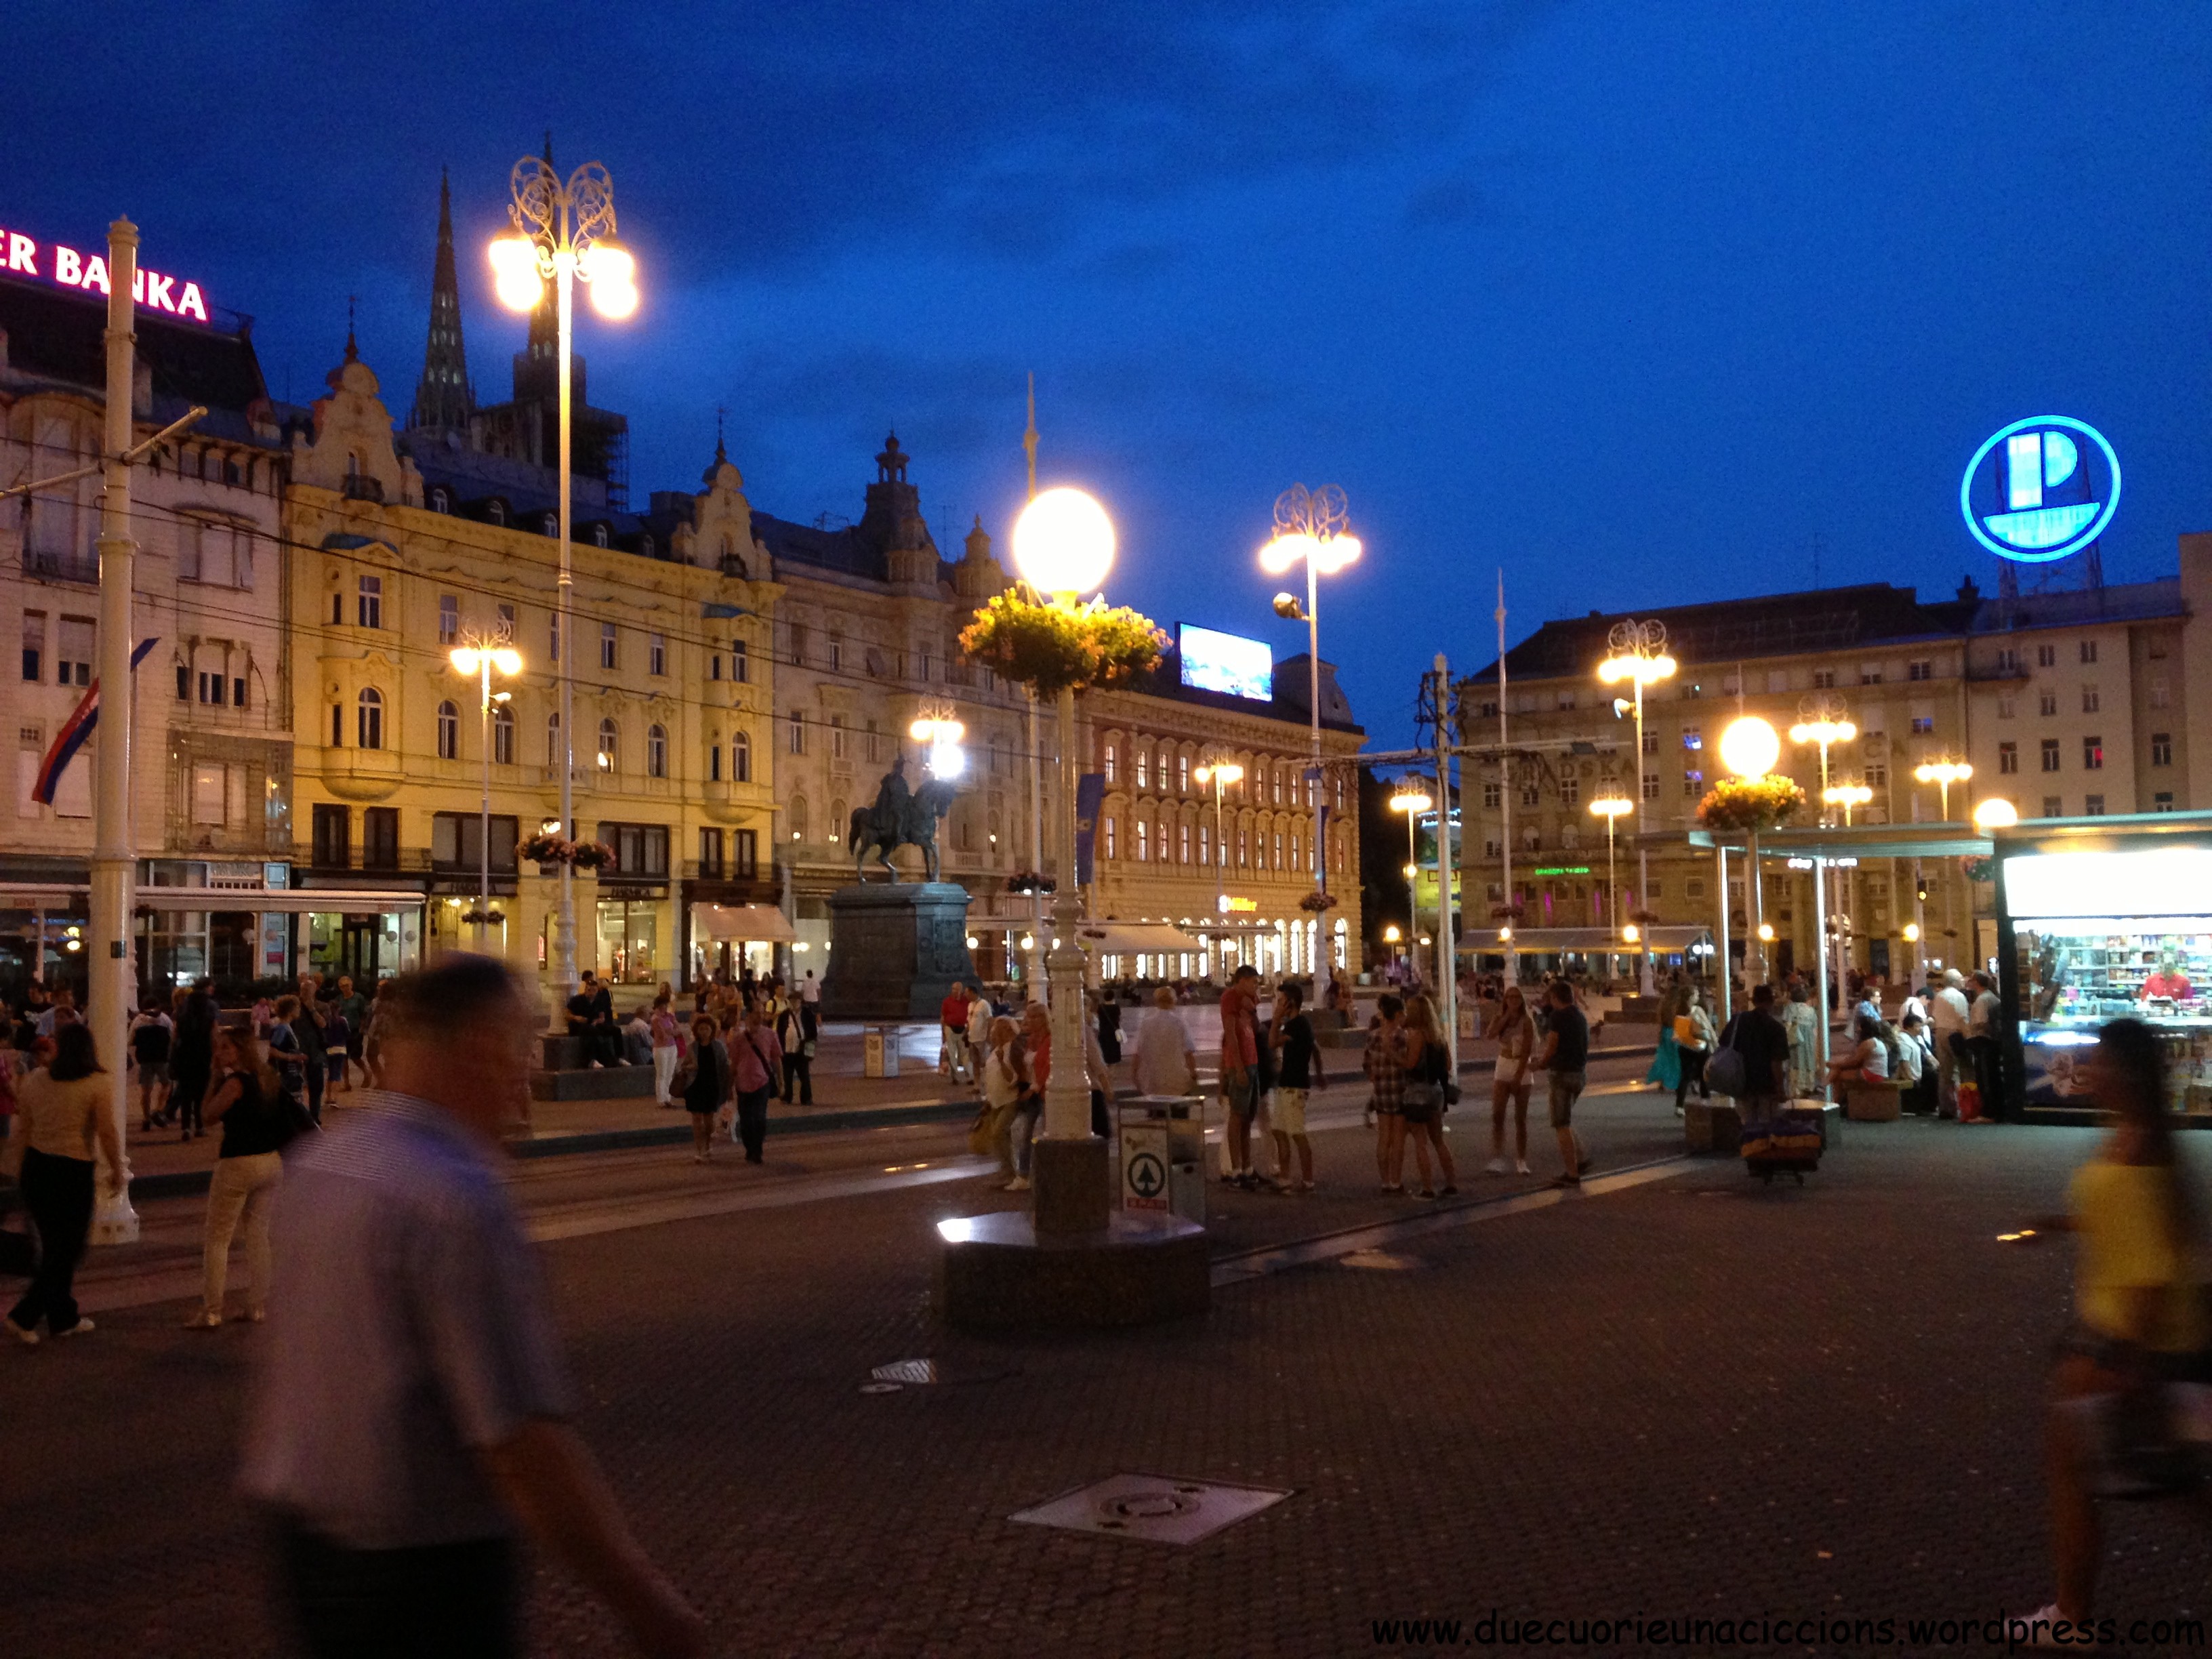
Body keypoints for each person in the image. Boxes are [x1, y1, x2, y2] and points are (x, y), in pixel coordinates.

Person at [237, 956, 705, 1658]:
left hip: (305, 1553)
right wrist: (645, 1603)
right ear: (484, 1048)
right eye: (521, 1047)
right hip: (425, 1575)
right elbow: (518, 1439)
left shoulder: (320, 1165)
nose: (524, 1076)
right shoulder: (453, 1197)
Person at [2020, 1018, 2211, 1634]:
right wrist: (2060, 1225)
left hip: (2129, 1339)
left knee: (2106, 1471)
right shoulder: (2133, 1135)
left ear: (2127, 1073)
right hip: (2127, 1335)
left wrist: (2126, 1358)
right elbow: (2132, 1224)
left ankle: (2070, 1617)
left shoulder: (2143, 1149)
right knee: (2163, 1476)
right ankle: (2069, 1613)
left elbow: (2154, 1268)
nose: (2088, 1068)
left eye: (2100, 1060)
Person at [4, 1022, 123, 1343]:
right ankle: (24, 1315)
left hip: (37, 1167)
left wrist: (18, 1169)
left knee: (56, 1247)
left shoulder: (35, 1079)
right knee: (67, 1250)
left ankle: (63, 1317)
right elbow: (107, 1131)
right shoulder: (99, 1083)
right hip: (73, 1169)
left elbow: (23, 1128)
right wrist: (117, 1169)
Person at [184, 1023, 293, 1329]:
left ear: (241, 1050)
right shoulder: (267, 1078)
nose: (219, 1054)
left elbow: (207, 1116)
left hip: (238, 1163)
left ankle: (212, 1310)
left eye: (226, 1048)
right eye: (218, 1047)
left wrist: (214, 1078)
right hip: (271, 1162)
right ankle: (257, 1305)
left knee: (218, 1238)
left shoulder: (236, 1083)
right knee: (258, 1235)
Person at [1397, 991, 1455, 1200]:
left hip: (1418, 1092)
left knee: (1420, 1142)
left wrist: (1395, 1056)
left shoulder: (1417, 1035)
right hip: (1436, 1091)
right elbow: (1448, 1065)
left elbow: (1411, 1064)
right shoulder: (1438, 1035)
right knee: (1438, 1140)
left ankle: (1428, 1188)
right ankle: (1451, 1184)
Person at [1534, 980, 1593, 1189]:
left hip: (1562, 1074)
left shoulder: (1558, 1016)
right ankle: (1582, 1157)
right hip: (1579, 1073)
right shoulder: (1579, 1015)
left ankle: (1572, 1173)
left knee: (1561, 1124)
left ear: (1555, 997)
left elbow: (1552, 1046)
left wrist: (1540, 1064)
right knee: (1565, 1119)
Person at [1267, 981, 1323, 1193]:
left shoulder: (1296, 1025)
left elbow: (1272, 1043)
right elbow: (1316, 1050)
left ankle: (1308, 1181)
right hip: (1287, 1084)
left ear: (1291, 1003)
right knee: (1279, 1131)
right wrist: (1319, 1074)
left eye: (1281, 1001)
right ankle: (1284, 1179)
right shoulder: (1302, 1024)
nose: (1278, 1004)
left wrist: (1275, 1019)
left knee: (1297, 1134)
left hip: (1294, 1087)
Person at [1717, 983, 1793, 1121]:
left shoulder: (1737, 1021)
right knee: (1766, 1125)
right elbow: (1776, 1062)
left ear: (1753, 1001)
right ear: (1772, 1001)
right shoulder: (1776, 1028)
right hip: (1766, 1084)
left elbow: (1723, 1044)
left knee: (1747, 1124)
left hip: (1742, 1081)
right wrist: (1781, 1089)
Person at [1218, 966, 1263, 1190]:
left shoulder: (1249, 1000)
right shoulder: (1230, 997)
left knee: (1247, 1118)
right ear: (1243, 980)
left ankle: (1247, 1167)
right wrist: (1239, 1067)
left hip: (1252, 1062)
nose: (1256, 986)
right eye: (1254, 982)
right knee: (1237, 1117)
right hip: (1241, 1065)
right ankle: (1235, 1170)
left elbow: (1256, 1029)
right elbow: (1230, 1035)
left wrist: (1253, 1007)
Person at [1486, 984, 1536, 1175]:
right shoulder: (1500, 1018)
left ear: (1521, 1000)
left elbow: (1527, 1051)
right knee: (1498, 1114)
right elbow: (1490, 1034)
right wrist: (1506, 1016)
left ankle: (1521, 1160)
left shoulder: (1527, 1022)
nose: (1513, 1001)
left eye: (1517, 997)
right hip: (1503, 1064)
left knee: (1520, 1118)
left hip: (1520, 1067)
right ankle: (1498, 1157)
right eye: (1510, 997)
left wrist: (1518, 1076)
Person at [978, 1016, 1029, 1188]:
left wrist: (1001, 1061)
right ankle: (1008, 1170)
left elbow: (1013, 1078)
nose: (993, 1033)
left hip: (1010, 1100)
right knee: (1000, 1137)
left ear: (1008, 1031)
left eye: (997, 1030)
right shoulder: (996, 1050)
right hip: (996, 1101)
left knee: (998, 1133)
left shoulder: (1013, 1049)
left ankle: (1011, 1171)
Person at [726, 1003, 781, 1165]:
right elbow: (734, 1064)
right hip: (743, 1084)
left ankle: (757, 1150)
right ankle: (750, 1148)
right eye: (755, 1013)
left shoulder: (770, 1035)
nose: (758, 1016)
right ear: (748, 1016)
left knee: (759, 1118)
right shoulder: (738, 1039)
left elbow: (776, 1059)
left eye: (761, 1013)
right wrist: (729, 1086)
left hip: (762, 1082)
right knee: (745, 1120)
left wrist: (781, 1081)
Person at [1364, 994, 1408, 1193]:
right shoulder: (1401, 1036)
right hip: (1399, 1090)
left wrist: (1376, 1077)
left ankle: (1385, 1181)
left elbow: (1367, 1065)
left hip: (1381, 1092)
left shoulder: (1373, 1036)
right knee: (1398, 1138)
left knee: (1384, 1137)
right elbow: (1407, 1062)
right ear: (1398, 1014)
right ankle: (1396, 1182)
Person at [171, 980, 217, 1141]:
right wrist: (216, 1054)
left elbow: (175, 1036)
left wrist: (173, 1055)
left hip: (184, 1054)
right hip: (203, 1054)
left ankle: (185, 1128)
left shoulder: (183, 1011)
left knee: (186, 1093)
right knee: (201, 1093)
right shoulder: (209, 1011)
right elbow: (214, 1035)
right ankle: (199, 1126)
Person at [679, 1014, 728, 1164]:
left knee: (709, 1121)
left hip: (712, 1085)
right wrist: (690, 1067)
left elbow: (725, 1066)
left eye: (707, 1028)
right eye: (701, 1029)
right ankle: (699, 1149)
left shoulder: (718, 1046)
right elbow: (683, 1066)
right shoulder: (692, 1047)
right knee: (696, 1119)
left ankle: (707, 1144)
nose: (704, 1032)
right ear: (696, 1030)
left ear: (712, 1030)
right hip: (695, 1085)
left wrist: (727, 1087)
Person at [1132, 985, 1196, 1099]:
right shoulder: (1180, 1023)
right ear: (1174, 1000)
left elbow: (1139, 1052)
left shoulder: (1147, 1023)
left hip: (1153, 1081)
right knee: (1179, 1113)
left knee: (1157, 1114)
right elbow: (1188, 1052)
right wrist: (1193, 1074)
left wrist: (1135, 1075)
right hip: (1177, 1080)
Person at [1930, 968, 1973, 1116]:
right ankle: (1968, 1106)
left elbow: (1935, 1016)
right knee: (1965, 1070)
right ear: (1954, 981)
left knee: (1945, 1072)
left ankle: (1946, 1108)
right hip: (1955, 1034)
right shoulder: (1959, 996)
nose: (1963, 981)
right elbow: (1962, 1019)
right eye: (1961, 979)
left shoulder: (1939, 996)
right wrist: (1969, 1038)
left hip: (1939, 1032)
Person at [1967, 969, 2006, 1120]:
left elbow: (1981, 1022)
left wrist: (1969, 1027)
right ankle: (1996, 1110)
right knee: (1993, 1076)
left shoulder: (1983, 1000)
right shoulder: (1992, 997)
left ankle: (1989, 1112)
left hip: (1984, 1041)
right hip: (1992, 1041)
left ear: (1976, 982)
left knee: (1986, 1077)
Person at [130, 1000, 173, 1130]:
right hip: (161, 1057)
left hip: (145, 1059)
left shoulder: (138, 1021)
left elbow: (130, 1039)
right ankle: (159, 1110)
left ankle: (146, 1119)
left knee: (146, 1090)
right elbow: (173, 1035)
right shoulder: (165, 1018)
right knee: (167, 1084)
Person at [1825, 1010, 1891, 1094]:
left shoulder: (1868, 1043)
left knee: (1839, 1076)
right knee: (1839, 1070)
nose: (1857, 1030)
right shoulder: (1877, 1042)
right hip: (1879, 1074)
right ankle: (1829, 1088)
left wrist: (1836, 1065)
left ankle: (1835, 1099)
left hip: (1873, 1075)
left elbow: (1855, 1062)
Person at [1675, 986, 1717, 1115]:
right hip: (1700, 1047)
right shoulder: (1697, 1010)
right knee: (1704, 1074)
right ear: (1691, 997)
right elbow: (1708, 1028)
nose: (1698, 997)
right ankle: (1705, 1101)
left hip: (1684, 1046)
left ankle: (1679, 1105)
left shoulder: (1679, 1010)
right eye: (1696, 994)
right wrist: (1715, 1042)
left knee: (1685, 1076)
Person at [1779, 983, 1820, 1100]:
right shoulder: (1811, 1011)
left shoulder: (1790, 1008)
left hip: (1795, 1042)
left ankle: (1795, 1090)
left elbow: (1786, 1026)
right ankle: (1808, 1087)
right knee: (1808, 1061)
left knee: (1795, 1063)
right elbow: (1815, 1031)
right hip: (1809, 1042)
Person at [1645, 979, 1685, 1096]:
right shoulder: (1677, 1005)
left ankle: (1663, 1082)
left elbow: (1659, 1018)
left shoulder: (1664, 1003)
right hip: (1675, 1032)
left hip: (1665, 1032)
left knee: (1664, 1057)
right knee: (1677, 1058)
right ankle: (1678, 1083)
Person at [773, 994, 812, 1106]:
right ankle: (787, 1097)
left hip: (802, 1050)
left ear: (801, 1002)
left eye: (796, 1001)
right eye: (792, 1001)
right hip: (788, 1049)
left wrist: (810, 1050)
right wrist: (780, 1048)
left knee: (804, 1075)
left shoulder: (807, 1014)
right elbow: (780, 1032)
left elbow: (812, 1032)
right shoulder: (784, 1015)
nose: (794, 1003)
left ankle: (806, 1098)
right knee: (787, 1075)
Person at [1896, 1010, 1935, 1114]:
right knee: (1932, 1076)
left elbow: (1928, 1054)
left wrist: (1938, 1065)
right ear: (1909, 1027)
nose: (1921, 1029)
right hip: (1910, 1072)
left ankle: (1930, 1107)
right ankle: (1925, 1107)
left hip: (1920, 1067)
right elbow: (1904, 1062)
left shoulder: (1918, 1038)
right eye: (1918, 1026)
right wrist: (1911, 1079)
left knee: (1935, 1074)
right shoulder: (1902, 1040)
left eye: (1921, 1026)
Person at [649, 995, 683, 1108]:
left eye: (665, 1005)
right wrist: (671, 1032)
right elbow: (663, 1035)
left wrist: (671, 1032)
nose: (664, 1007)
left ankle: (667, 1097)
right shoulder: (655, 1019)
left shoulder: (670, 1016)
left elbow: (678, 1030)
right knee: (662, 1073)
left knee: (669, 1073)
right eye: (662, 1005)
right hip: (661, 1048)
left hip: (672, 1047)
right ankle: (661, 1099)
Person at [964, 986, 995, 1094]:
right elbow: (969, 1021)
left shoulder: (984, 1004)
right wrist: (966, 1032)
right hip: (972, 1038)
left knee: (985, 1063)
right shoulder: (970, 1005)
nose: (966, 996)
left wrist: (989, 1036)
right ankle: (977, 1086)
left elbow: (990, 1020)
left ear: (973, 992)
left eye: (967, 993)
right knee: (975, 1063)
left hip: (982, 1039)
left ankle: (988, 1086)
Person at [939, 983, 972, 1084]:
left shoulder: (966, 1002)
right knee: (952, 1054)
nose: (955, 991)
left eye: (957, 989)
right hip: (950, 1028)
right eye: (953, 989)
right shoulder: (947, 1001)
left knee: (965, 1054)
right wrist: (943, 1033)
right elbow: (943, 1017)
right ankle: (955, 1077)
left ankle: (970, 1076)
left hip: (963, 1030)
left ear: (961, 990)